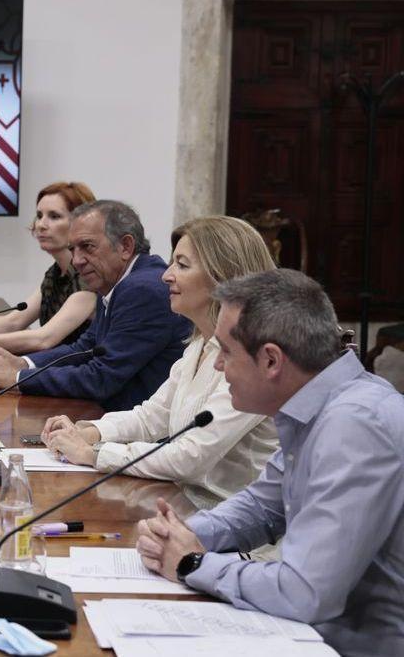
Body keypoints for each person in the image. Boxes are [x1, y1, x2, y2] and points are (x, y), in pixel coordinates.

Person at [135, 269, 404, 656]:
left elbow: (304, 592)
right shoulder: (316, 407)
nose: (218, 367)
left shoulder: (355, 424)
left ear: (271, 360)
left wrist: (192, 563)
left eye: (226, 352)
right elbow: (262, 506)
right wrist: (181, 533)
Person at [41, 216, 279, 509]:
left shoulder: (252, 359)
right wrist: (91, 431)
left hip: (233, 534)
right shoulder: (198, 345)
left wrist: (95, 453)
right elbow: (153, 416)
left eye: (182, 264)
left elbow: (190, 457)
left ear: (224, 277)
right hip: (181, 506)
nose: (166, 275)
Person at [0, 200, 191, 412]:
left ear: (125, 247)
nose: (77, 260)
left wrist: (17, 378)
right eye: (73, 249)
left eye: (87, 247)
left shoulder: (142, 289)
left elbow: (102, 377)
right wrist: (23, 364)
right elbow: (84, 348)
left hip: (140, 431)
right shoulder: (113, 280)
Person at [0, 181, 97, 351]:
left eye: (54, 216)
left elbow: (44, 339)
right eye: (39, 215)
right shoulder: (56, 272)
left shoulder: (89, 277)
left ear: (80, 223)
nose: (41, 225)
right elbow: (13, 322)